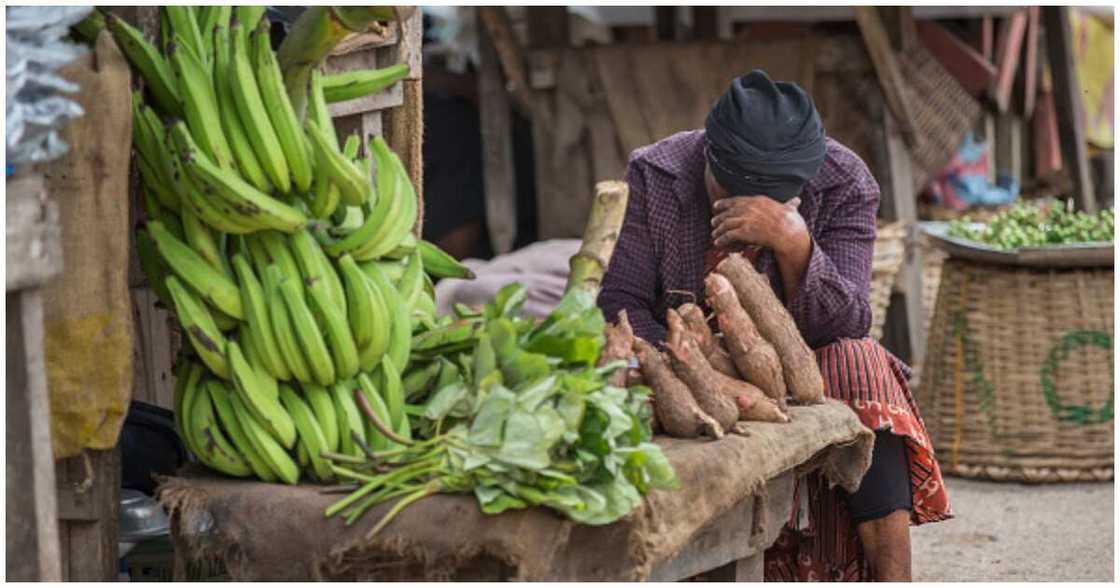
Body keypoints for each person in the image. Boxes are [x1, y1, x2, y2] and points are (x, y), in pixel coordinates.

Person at [597, 70, 952, 582]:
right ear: (711, 161)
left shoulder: (846, 181)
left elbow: (849, 321)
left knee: (863, 360)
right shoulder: (657, 173)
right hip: (683, 369)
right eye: (733, 197)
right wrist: (692, 367)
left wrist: (793, 243)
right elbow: (620, 303)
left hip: (809, 367)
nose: (747, 215)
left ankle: (892, 577)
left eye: (773, 202)